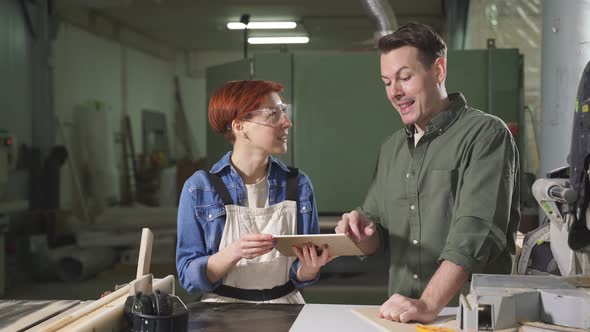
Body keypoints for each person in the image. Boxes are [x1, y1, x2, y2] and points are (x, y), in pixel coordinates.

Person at [335, 22, 520, 323]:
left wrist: (427, 303)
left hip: (472, 316)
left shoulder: (486, 134)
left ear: (438, 71)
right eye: (386, 82)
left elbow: (476, 231)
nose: (395, 92)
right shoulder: (391, 148)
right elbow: (376, 232)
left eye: (404, 77)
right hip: (404, 318)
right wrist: (361, 232)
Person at [176, 80, 332, 303]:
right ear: (240, 126)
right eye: (273, 114)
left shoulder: (298, 183)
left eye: (284, 112)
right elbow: (188, 276)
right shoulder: (200, 188)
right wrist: (234, 252)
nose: (287, 123)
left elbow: (301, 273)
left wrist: (309, 269)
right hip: (222, 313)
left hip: (286, 307)